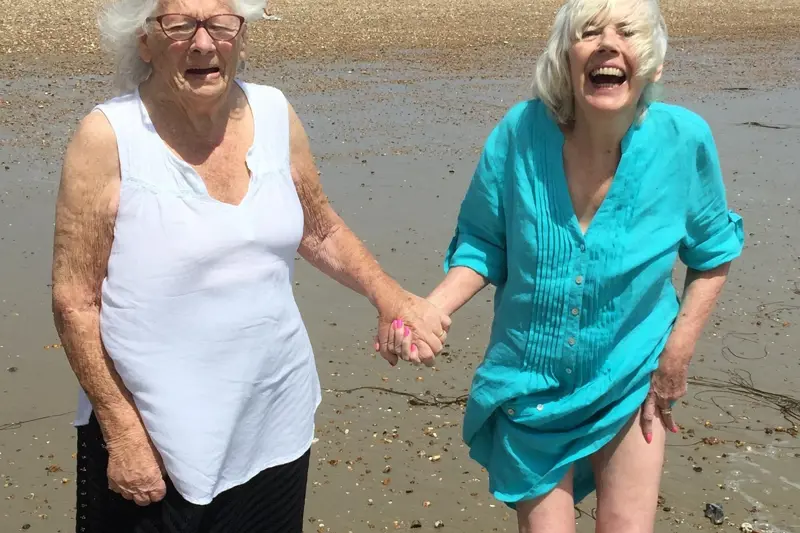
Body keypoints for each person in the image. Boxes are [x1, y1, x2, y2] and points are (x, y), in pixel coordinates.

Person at [50, 0, 449, 531]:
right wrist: (122, 432)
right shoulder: (108, 137)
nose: (202, 43)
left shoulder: (274, 112)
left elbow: (319, 228)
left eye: (221, 24)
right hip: (155, 438)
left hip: (274, 424)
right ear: (144, 41)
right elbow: (75, 302)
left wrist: (390, 297)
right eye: (179, 26)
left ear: (242, 35)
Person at [383, 0, 745, 531]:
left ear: (654, 63)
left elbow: (713, 253)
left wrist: (677, 354)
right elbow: (484, 242)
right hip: (530, 386)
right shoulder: (519, 134)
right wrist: (430, 309)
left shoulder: (683, 141)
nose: (608, 43)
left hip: (631, 378)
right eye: (589, 31)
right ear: (564, 56)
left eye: (627, 31)